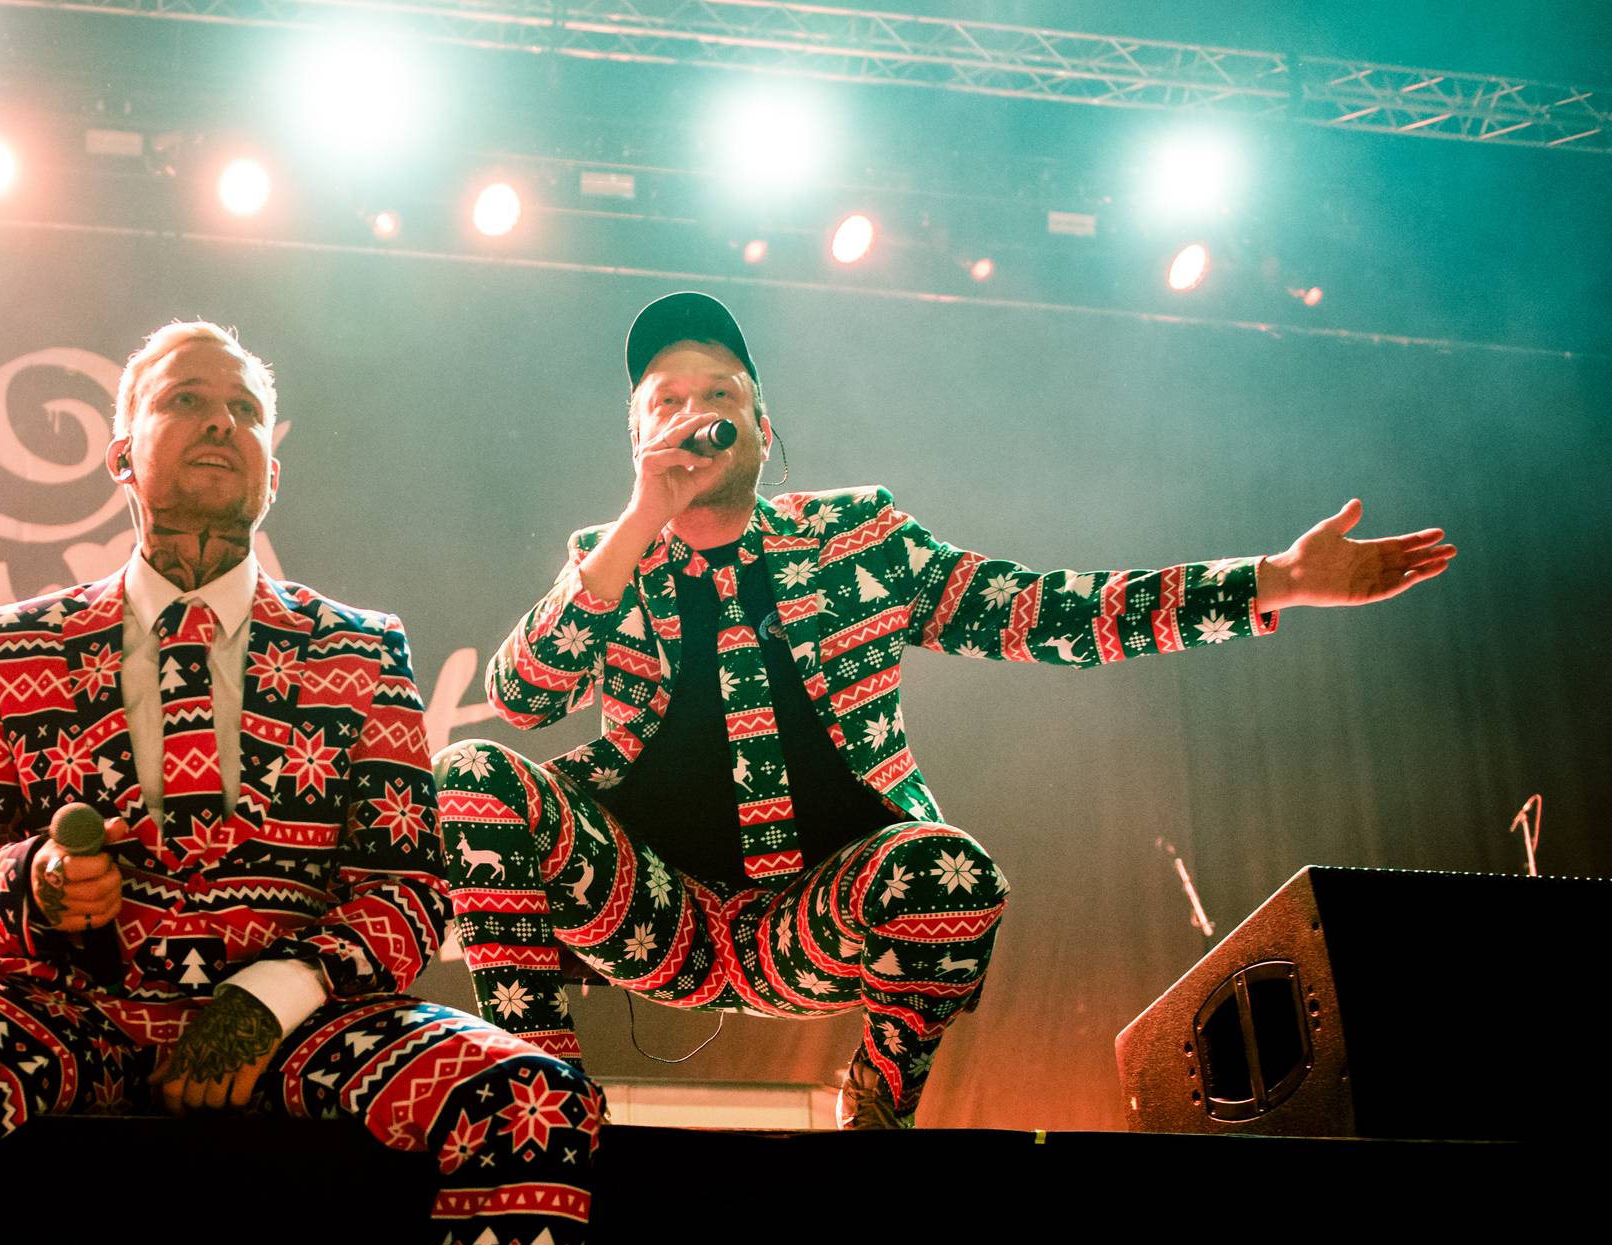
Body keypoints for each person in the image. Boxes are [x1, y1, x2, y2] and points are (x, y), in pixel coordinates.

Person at [437, 291, 1456, 1127]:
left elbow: (1044, 610)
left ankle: (877, 1103)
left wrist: (1268, 580)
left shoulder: (856, 535)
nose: (693, 412)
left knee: (954, 872)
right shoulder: (606, 559)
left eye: (720, 393)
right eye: (664, 400)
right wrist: (636, 525)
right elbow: (525, 697)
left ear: (760, 423)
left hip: (820, 918)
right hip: (659, 911)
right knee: (471, 778)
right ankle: (542, 1098)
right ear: (635, 435)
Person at [0, 321, 600, 1245]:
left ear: (271, 476)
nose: (221, 424)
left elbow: (410, 893)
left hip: (305, 1023)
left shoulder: (362, 649)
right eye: (186, 401)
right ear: (120, 456)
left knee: (536, 1100)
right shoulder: (19, 642)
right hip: (63, 1003)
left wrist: (272, 993)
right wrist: (35, 882)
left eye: (246, 412)